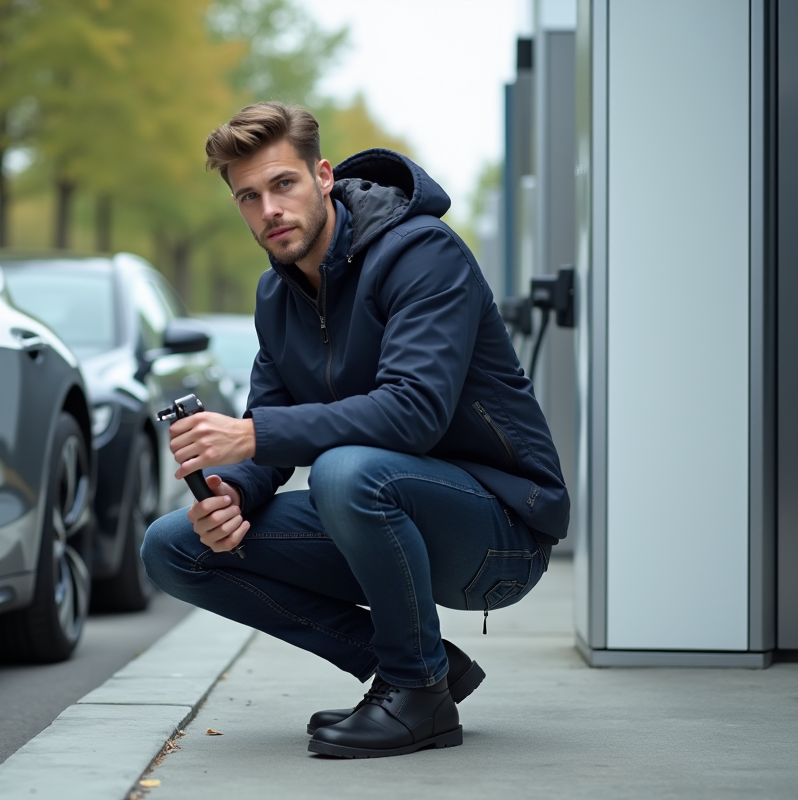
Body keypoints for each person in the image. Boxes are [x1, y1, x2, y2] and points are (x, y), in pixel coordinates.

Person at [140, 102, 568, 759]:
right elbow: (268, 426)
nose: (268, 210)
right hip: (380, 517)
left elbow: (413, 411)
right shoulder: (275, 297)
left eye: (283, 185)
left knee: (346, 470)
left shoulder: (422, 253)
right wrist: (232, 492)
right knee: (174, 545)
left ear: (324, 176)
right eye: (248, 197)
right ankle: (423, 667)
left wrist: (251, 437)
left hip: (497, 534)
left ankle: (417, 696)